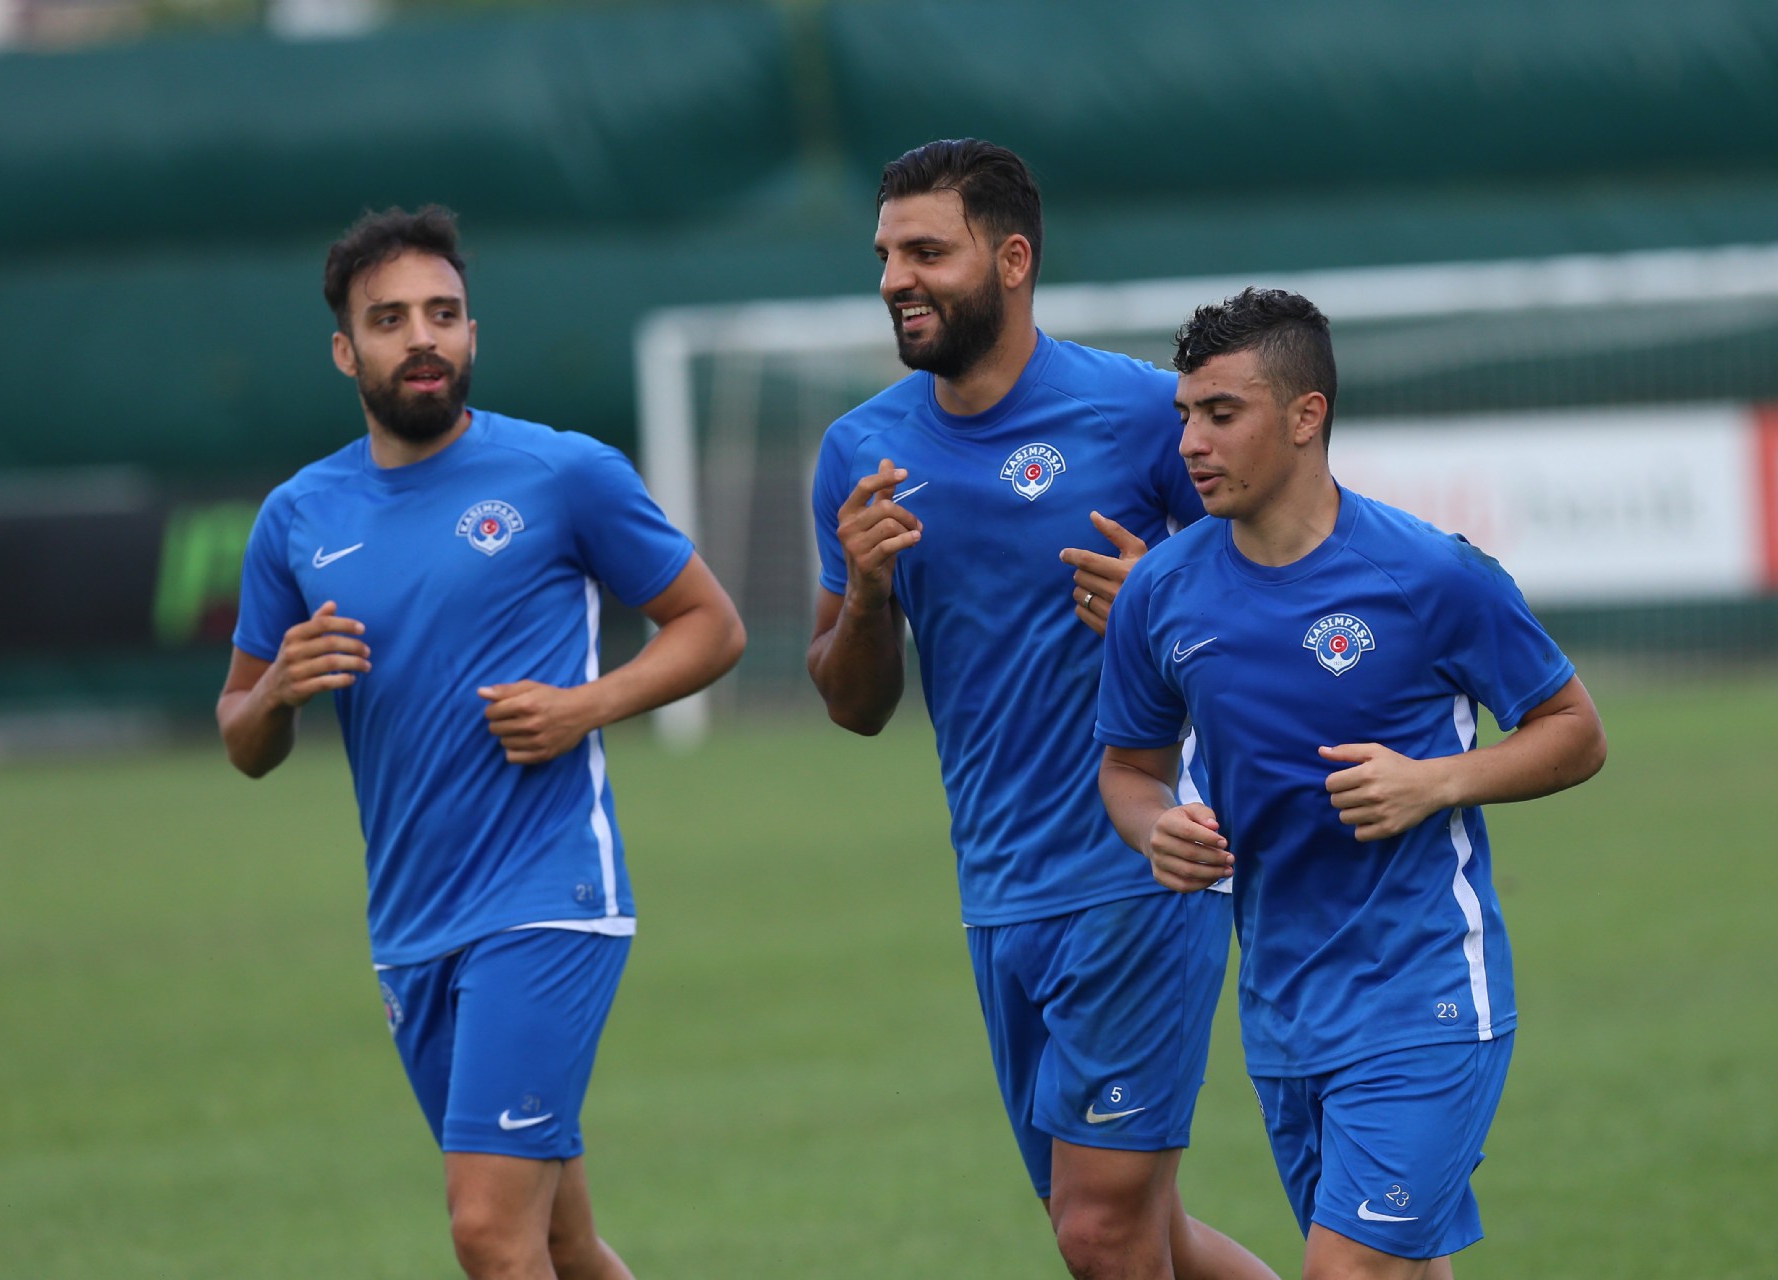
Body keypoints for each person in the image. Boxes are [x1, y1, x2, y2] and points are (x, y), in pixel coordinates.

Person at [217, 205, 744, 1280]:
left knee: (489, 1233)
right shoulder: (298, 517)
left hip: (548, 895)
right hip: (412, 922)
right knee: (559, 1241)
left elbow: (712, 624)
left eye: (444, 313)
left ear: (471, 332)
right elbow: (241, 735)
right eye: (390, 318)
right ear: (345, 350)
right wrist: (276, 690)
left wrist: (584, 705)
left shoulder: (562, 473)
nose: (423, 337)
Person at [808, 139, 1277, 1280]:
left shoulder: (1143, 414)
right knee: (1141, 1231)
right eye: (886, 255)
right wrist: (865, 595)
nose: (896, 280)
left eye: (928, 252)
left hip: (1145, 864)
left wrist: (1160, 607)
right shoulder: (861, 451)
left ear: (1012, 260)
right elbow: (852, 704)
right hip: (999, 891)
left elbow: (1287, 601)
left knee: (1101, 1232)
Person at [1094, 287, 1608, 1280]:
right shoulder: (1161, 589)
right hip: (1283, 1007)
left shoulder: (1431, 575)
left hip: (1426, 990)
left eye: (1222, 413)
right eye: (1186, 415)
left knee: (1345, 1269)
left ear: (1306, 416)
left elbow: (1575, 731)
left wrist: (1435, 782)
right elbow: (1128, 769)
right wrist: (1155, 828)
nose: (1192, 442)